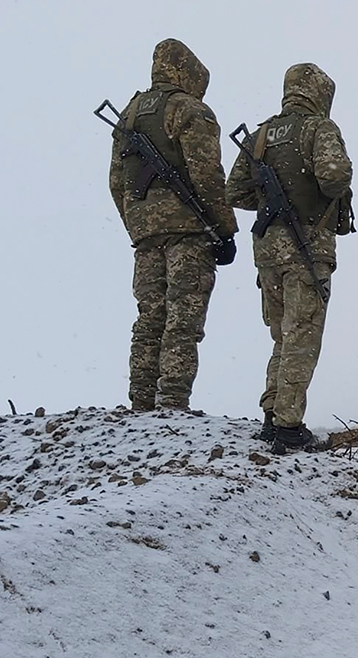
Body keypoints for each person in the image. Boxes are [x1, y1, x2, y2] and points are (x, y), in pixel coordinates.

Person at [226, 63, 353, 453]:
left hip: (267, 252)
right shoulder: (318, 128)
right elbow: (334, 176)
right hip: (306, 247)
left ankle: (272, 413)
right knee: (302, 336)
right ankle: (288, 426)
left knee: (282, 335)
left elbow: (235, 192)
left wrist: (272, 205)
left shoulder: (262, 135)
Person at [108, 39, 238, 412]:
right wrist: (224, 228)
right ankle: (173, 402)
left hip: (147, 237)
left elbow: (117, 183)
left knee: (149, 318)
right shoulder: (190, 110)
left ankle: (141, 401)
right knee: (183, 318)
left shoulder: (129, 116)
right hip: (189, 231)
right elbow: (207, 175)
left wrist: (138, 223)